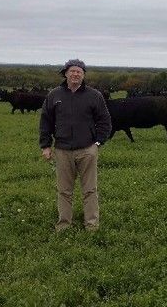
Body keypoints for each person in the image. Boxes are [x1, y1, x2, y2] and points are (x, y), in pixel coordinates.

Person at [39, 59, 112, 231]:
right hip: (62, 150)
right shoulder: (54, 95)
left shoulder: (94, 96)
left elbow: (105, 121)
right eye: (72, 71)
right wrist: (46, 145)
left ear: (83, 75)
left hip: (87, 150)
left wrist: (98, 142)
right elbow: (45, 121)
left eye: (79, 71)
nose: (75, 74)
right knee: (64, 191)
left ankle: (92, 225)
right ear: (65, 74)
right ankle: (64, 225)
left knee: (90, 190)